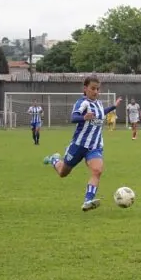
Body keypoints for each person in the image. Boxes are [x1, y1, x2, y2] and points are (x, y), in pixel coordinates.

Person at [43, 76, 122, 212]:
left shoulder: (98, 103)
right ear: (85, 89)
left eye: (97, 89)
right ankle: (54, 159)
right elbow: (74, 117)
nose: (95, 92)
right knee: (63, 173)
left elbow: (101, 113)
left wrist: (113, 106)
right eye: (92, 88)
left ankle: (88, 201)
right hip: (78, 145)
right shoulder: (82, 102)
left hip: (95, 146)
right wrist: (83, 117)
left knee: (97, 170)